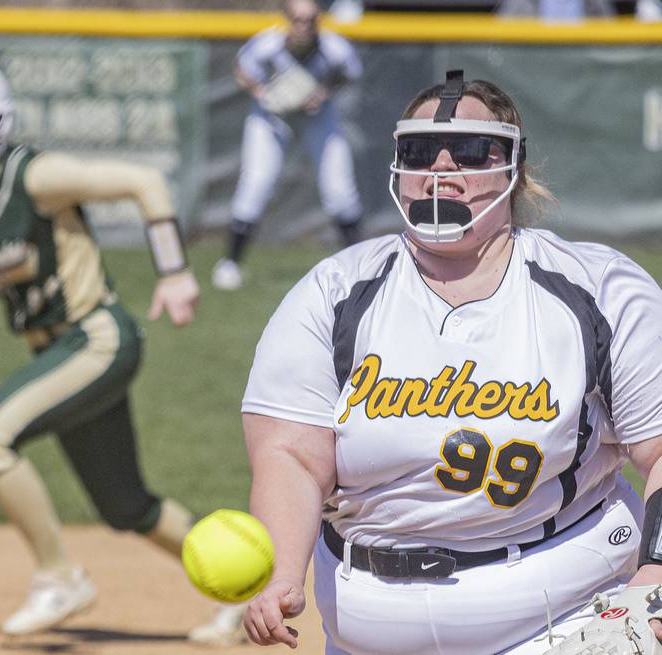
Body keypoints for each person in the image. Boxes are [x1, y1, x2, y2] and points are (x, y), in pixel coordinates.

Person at [239, 69, 662, 654]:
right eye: (418, 151)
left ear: (513, 167)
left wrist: (658, 575)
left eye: (467, 150)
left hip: (562, 611)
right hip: (370, 620)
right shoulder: (335, 291)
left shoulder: (599, 288)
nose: (440, 167)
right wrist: (282, 573)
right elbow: (290, 455)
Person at [0, 58, 243, 644]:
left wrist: (173, 270)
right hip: (57, 350)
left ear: (3, 123)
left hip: (97, 337)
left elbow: (147, 183)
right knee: (126, 506)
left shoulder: (35, 177)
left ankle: (57, 576)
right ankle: (241, 596)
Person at [211, 0, 364, 291]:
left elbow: (350, 73)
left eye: (310, 19)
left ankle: (362, 263)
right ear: (287, 20)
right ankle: (230, 263)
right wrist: (264, 92)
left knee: (339, 189)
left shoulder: (334, 47)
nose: (303, 25)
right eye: (297, 19)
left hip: (317, 114)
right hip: (273, 116)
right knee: (256, 183)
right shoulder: (268, 43)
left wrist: (324, 92)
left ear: (318, 19)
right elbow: (242, 69)